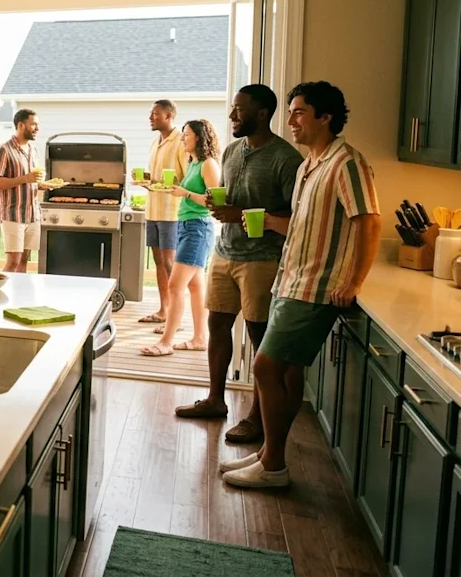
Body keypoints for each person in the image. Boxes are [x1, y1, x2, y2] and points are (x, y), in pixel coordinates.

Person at [222, 82, 381, 489]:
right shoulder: (312, 163)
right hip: (289, 278)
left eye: (299, 112)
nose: (290, 120)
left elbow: (369, 221)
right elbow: (297, 223)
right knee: (284, 371)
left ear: (325, 117)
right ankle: (266, 455)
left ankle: (273, 465)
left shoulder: (346, 163)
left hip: (317, 286)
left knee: (264, 366)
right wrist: (253, 217)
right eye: (290, 112)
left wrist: (354, 280)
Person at [174, 85, 303, 445]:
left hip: (262, 260)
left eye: (239, 110)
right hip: (225, 251)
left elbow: (297, 216)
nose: (232, 116)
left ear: (262, 114)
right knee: (217, 325)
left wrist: (240, 213)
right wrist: (222, 207)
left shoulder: (285, 159)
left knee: (262, 340)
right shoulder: (231, 151)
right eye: (232, 109)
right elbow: (232, 199)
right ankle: (215, 400)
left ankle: (257, 417)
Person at [140, 119, 221, 357]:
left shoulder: (208, 164)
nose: (183, 138)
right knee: (196, 286)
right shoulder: (192, 162)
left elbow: (213, 201)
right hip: (186, 226)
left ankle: (166, 342)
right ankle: (199, 338)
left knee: (175, 285)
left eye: (187, 135)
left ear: (200, 137)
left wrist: (184, 193)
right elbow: (188, 193)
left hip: (198, 228)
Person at [139, 100, 187, 330]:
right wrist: (147, 179)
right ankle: (163, 310)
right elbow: (157, 176)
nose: (151, 117)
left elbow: (187, 179)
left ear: (168, 116)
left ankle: (175, 318)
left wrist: (162, 183)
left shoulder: (180, 142)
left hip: (171, 212)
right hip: (153, 210)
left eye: (155, 114)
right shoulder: (155, 142)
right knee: (158, 262)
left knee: (170, 264)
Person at [0, 108, 42, 273]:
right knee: (13, 261)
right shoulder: (4, 150)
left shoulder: (33, 151)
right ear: (21, 125)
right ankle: (0, 294)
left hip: (33, 214)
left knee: (24, 261)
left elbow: (33, 180)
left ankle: (19, 295)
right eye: (33, 124)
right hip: (13, 214)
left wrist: (42, 184)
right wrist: (25, 179)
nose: (37, 128)